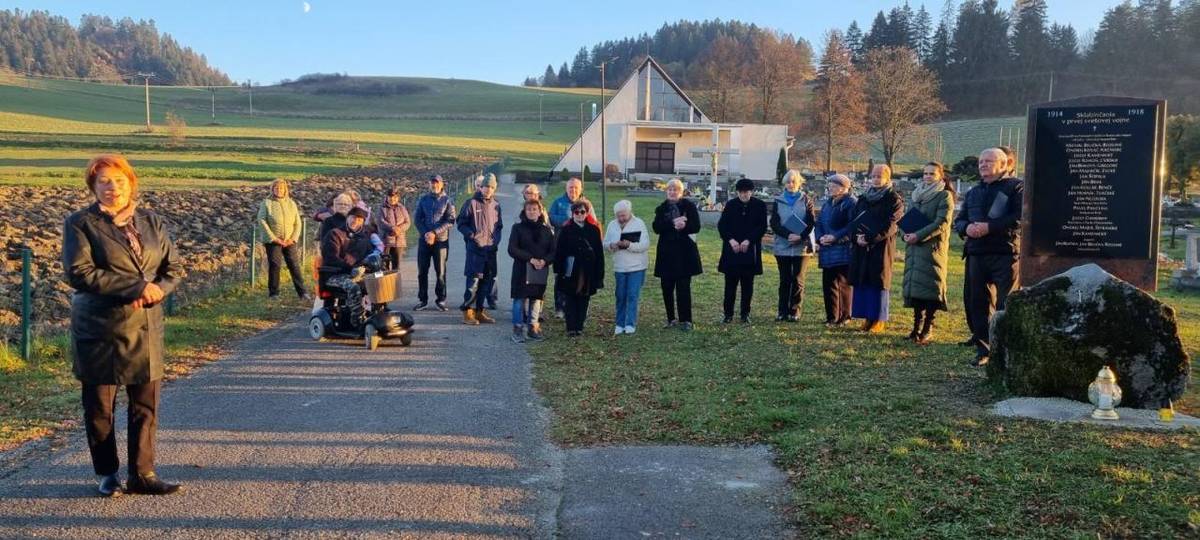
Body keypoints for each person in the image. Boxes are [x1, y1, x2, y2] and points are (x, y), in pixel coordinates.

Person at [63, 154, 184, 497]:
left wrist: (159, 289)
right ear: (93, 186)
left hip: (145, 324)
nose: (112, 187)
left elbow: (172, 267)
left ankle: (143, 474)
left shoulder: (151, 221)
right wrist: (136, 288)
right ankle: (107, 473)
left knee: (145, 406)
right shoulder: (80, 223)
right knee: (100, 407)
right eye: (103, 181)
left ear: (131, 182)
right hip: (99, 329)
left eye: (118, 180)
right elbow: (79, 272)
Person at [954, 147, 1023, 366]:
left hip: (1005, 252)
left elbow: (1019, 217)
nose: (982, 164)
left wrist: (989, 227)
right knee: (979, 303)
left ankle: (1004, 349)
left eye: (988, 161)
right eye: (981, 161)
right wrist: (966, 229)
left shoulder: (1016, 188)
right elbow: (960, 219)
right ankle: (983, 349)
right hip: (977, 253)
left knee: (1006, 303)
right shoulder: (974, 191)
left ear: (1003, 165)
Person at [901, 162, 956, 344]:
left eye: (932, 173)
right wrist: (906, 235)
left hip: (932, 249)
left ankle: (927, 327)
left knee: (931, 288)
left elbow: (942, 222)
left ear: (941, 176)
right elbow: (907, 219)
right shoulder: (917, 195)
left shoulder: (944, 196)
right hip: (914, 249)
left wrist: (918, 235)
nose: (927, 176)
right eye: (925, 173)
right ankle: (916, 327)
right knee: (916, 289)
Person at [848, 164, 904, 333]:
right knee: (863, 280)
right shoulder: (864, 198)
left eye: (880, 176)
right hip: (861, 246)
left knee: (878, 282)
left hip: (880, 246)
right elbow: (855, 219)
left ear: (888, 178)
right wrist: (856, 237)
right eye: (873, 176)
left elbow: (892, 225)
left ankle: (878, 319)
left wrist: (871, 238)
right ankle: (866, 317)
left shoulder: (894, 199)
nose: (876, 179)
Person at [652, 178, 702, 331]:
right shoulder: (661, 208)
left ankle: (686, 320)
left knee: (683, 288)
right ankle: (670, 318)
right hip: (666, 253)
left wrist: (684, 226)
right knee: (666, 287)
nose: (672, 192)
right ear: (666, 191)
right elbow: (656, 227)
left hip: (684, 254)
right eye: (670, 190)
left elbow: (696, 226)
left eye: (675, 190)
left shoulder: (689, 206)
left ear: (681, 192)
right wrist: (673, 224)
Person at [719, 178, 768, 324]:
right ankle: (728, 314)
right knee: (730, 284)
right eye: (740, 192)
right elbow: (722, 226)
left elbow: (761, 227)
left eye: (746, 192)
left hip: (749, 248)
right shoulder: (731, 205)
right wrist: (731, 240)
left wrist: (749, 240)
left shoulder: (759, 206)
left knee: (748, 284)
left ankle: (745, 313)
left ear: (751, 192)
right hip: (732, 249)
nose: (743, 195)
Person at [769, 170, 816, 322]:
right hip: (782, 245)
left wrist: (800, 236)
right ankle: (782, 311)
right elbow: (774, 223)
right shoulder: (778, 200)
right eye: (788, 181)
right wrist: (787, 235)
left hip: (801, 247)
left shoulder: (806, 200)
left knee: (798, 279)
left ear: (799, 183)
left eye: (793, 182)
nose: (791, 184)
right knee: (784, 280)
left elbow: (811, 222)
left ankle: (794, 311)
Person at [319, 207, 378, 327]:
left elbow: (369, 256)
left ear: (363, 222)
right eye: (353, 218)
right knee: (353, 287)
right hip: (334, 274)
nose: (355, 221)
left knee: (378, 282)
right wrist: (351, 268)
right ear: (348, 218)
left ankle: (377, 315)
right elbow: (331, 258)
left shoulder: (364, 238)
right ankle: (357, 320)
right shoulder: (335, 234)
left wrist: (373, 264)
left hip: (356, 273)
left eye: (359, 219)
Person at [457, 173, 503, 324]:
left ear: (494, 188)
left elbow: (499, 227)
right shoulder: (471, 203)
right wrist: (472, 236)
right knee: (473, 282)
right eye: (485, 186)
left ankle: (480, 311)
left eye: (491, 187)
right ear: (481, 187)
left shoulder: (496, 205)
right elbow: (461, 223)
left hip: (490, 250)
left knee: (486, 282)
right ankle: (468, 312)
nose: (488, 189)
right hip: (475, 249)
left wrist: (495, 241)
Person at [508, 199, 555, 342]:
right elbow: (512, 249)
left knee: (536, 299)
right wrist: (530, 259)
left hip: (539, 270)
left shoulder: (547, 230)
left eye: (535, 209)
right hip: (522, 269)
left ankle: (533, 327)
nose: (532, 212)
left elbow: (553, 251)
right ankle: (517, 329)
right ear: (525, 211)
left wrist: (544, 261)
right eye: (529, 209)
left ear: (540, 211)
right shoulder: (517, 228)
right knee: (519, 299)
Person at [555, 201, 605, 336]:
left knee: (584, 298)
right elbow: (559, 251)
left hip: (588, 269)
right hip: (571, 269)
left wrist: (600, 274)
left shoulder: (594, 230)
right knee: (570, 298)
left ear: (587, 213)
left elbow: (599, 254)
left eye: (582, 212)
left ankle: (579, 326)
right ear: (572, 214)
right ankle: (571, 327)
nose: (579, 215)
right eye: (576, 212)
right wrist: (558, 270)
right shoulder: (566, 230)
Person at [257, 178, 310, 300]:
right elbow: (262, 220)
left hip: (289, 240)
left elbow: (298, 222)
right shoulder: (267, 203)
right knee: (275, 265)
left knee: (294, 265)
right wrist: (273, 238)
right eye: (276, 188)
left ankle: (302, 292)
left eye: (281, 188)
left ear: (285, 190)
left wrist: (293, 238)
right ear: (272, 189)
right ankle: (274, 293)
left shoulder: (291, 203)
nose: (279, 190)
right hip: (273, 241)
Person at [815, 174, 857, 326]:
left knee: (842, 284)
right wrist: (820, 237)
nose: (830, 188)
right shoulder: (828, 204)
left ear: (844, 188)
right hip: (827, 250)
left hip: (842, 249)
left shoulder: (851, 203)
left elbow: (851, 226)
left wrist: (835, 237)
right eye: (830, 185)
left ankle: (844, 316)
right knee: (828, 283)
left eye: (834, 185)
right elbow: (818, 222)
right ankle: (831, 316)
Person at [604, 199, 650, 334]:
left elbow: (645, 244)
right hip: (620, 266)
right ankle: (619, 323)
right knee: (620, 295)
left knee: (632, 295)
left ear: (629, 213)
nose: (621, 218)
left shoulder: (639, 223)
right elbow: (605, 243)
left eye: (623, 215)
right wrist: (611, 245)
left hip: (637, 266)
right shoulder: (612, 225)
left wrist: (629, 245)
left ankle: (630, 323)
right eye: (618, 215)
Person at [413, 174, 455, 311]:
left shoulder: (448, 200)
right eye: (432, 183)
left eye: (437, 183)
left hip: (440, 242)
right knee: (422, 272)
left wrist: (434, 233)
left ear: (442, 184)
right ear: (429, 184)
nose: (434, 185)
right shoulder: (423, 199)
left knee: (440, 272)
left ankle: (441, 299)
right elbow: (417, 219)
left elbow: (450, 220)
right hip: (424, 241)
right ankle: (422, 300)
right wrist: (426, 233)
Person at [548, 177, 584, 318]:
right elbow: (551, 218)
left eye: (576, 188)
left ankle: (572, 306)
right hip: (561, 247)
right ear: (566, 189)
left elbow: (591, 221)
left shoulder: (584, 204)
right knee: (560, 277)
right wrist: (568, 220)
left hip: (578, 249)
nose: (573, 191)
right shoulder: (558, 203)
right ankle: (559, 307)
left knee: (575, 277)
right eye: (570, 188)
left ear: (580, 190)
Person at [374, 186, 411, 271]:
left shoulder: (402, 208)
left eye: (395, 197)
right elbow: (380, 221)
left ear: (398, 198)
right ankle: (385, 284)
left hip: (399, 242)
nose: (392, 199)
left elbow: (407, 222)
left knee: (396, 267)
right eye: (390, 196)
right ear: (387, 197)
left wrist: (399, 229)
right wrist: (392, 228)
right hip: (386, 241)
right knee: (384, 267)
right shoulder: (382, 208)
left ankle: (395, 284)